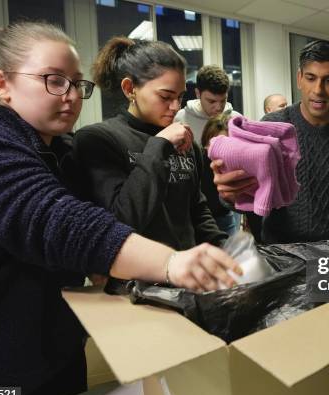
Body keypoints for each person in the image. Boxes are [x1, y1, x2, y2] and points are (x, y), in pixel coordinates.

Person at [0, 22, 238, 395]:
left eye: (76, 84)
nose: (70, 95)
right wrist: (171, 262)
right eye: (53, 80)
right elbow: (61, 222)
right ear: (2, 84)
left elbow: (119, 214)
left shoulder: (60, 151)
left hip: (54, 351)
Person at [211, 40, 329, 249]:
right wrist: (230, 195)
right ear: (299, 79)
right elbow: (248, 195)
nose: (318, 90)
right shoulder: (271, 126)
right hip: (279, 254)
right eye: (311, 78)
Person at [74, 37, 227, 255]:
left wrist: (225, 249)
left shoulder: (185, 143)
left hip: (189, 272)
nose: (175, 107)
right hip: (136, 279)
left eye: (180, 97)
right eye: (165, 96)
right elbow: (122, 219)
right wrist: (160, 145)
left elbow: (196, 210)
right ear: (129, 89)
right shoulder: (98, 139)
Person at [174, 64, 240, 144]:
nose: (218, 108)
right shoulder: (180, 119)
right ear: (198, 93)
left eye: (223, 101)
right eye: (211, 101)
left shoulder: (237, 120)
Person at [199, 113, 241, 236]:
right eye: (212, 144)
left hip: (225, 217)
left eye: (224, 145)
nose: (216, 150)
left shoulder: (237, 164)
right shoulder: (198, 160)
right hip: (201, 221)